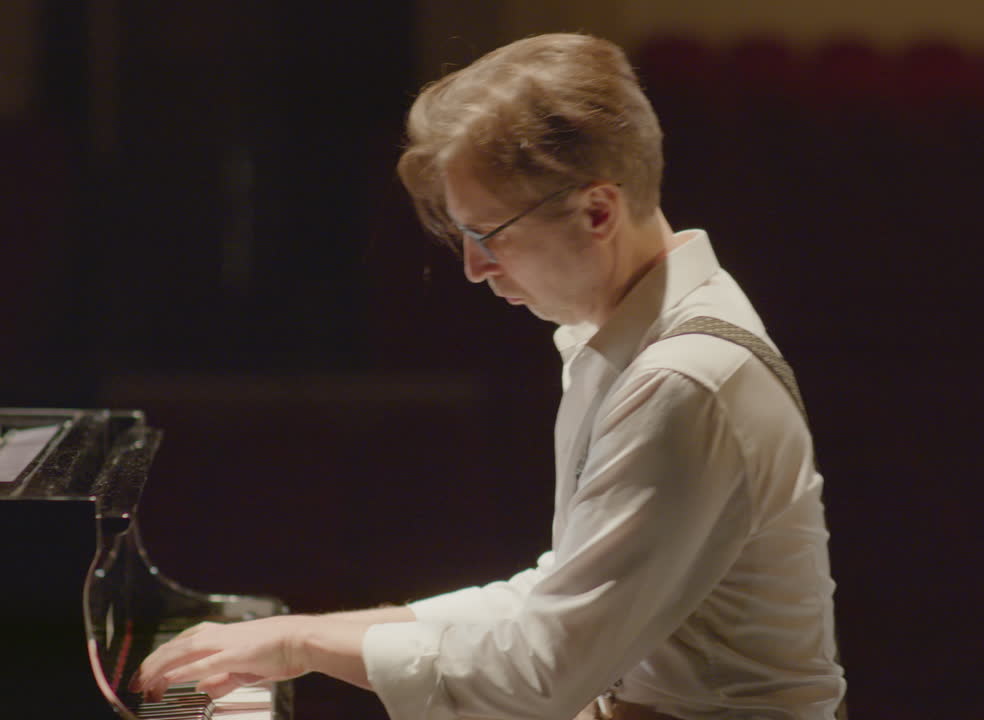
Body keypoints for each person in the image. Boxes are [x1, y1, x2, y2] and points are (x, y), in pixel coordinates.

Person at [133, 33, 844, 720]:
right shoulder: (632, 336)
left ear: (598, 210)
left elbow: (543, 675)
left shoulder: (686, 381)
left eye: (489, 236)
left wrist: (302, 644)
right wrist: (305, 635)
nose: (474, 268)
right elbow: (559, 595)